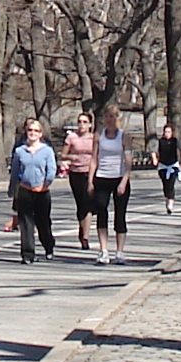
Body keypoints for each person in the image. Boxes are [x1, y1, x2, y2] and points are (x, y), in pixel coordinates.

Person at [10, 118, 59, 262]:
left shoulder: (47, 151)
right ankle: (28, 254)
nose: (32, 133)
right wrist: (13, 188)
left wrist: (45, 184)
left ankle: (48, 246)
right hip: (25, 190)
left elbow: (51, 170)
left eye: (36, 131)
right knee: (25, 224)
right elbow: (15, 171)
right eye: (30, 130)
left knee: (42, 222)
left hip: (42, 192)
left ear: (40, 134)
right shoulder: (20, 151)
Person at [91, 105, 135, 262]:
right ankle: (103, 250)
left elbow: (128, 161)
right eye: (107, 116)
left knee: (120, 215)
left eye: (113, 116)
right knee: (101, 212)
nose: (110, 120)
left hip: (119, 177)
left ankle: (120, 252)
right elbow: (94, 158)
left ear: (118, 118)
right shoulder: (98, 136)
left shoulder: (124, 137)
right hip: (102, 177)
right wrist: (91, 180)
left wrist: (124, 180)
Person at [61, 113, 100, 253]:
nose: (81, 125)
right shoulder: (72, 137)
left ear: (90, 124)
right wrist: (70, 156)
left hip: (90, 173)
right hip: (76, 173)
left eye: (85, 122)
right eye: (79, 122)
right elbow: (63, 154)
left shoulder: (94, 137)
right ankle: (81, 227)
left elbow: (98, 154)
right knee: (81, 204)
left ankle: (85, 237)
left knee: (89, 204)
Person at [154, 120, 181, 214]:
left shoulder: (175, 141)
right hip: (163, 166)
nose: (167, 134)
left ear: (172, 133)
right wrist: (154, 158)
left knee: (171, 184)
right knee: (165, 185)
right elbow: (154, 151)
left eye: (169, 132)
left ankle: (170, 204)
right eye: (166, 132)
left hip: (173, 165)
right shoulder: (160, 141)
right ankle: (167, 199)